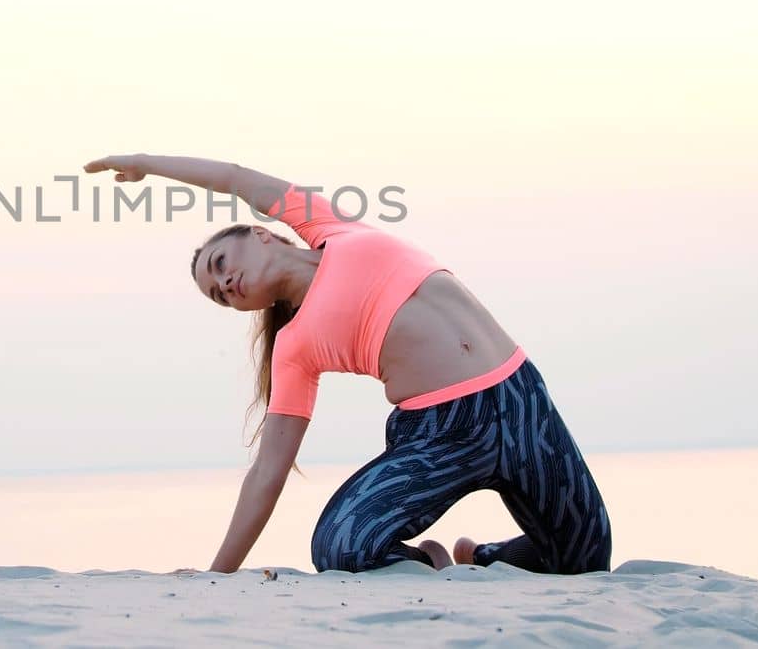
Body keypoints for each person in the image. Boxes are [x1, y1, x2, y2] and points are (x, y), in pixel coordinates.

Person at [82, 153, 612, 575]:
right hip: (441, 435)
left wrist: (147, 163)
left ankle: (484, 558)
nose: (225, 285)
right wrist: (218, 574)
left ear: (262, 232)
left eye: (221, 265)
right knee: (339, 546)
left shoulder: (327, 225)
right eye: (219, 295)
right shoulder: (294, 349)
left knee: (586, 557)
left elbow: (235, 176)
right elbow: (268, 472)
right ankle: (429, 560)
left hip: (521, 401)